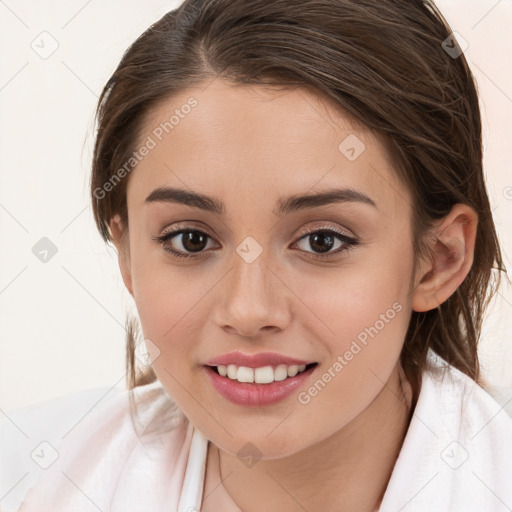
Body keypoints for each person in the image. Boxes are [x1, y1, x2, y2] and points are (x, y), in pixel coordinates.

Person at [1, 0, 512, 511]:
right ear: (128, 255)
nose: (248, 311)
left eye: (322, 241)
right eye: (190, 240)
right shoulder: (32, 480)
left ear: (439, 260)